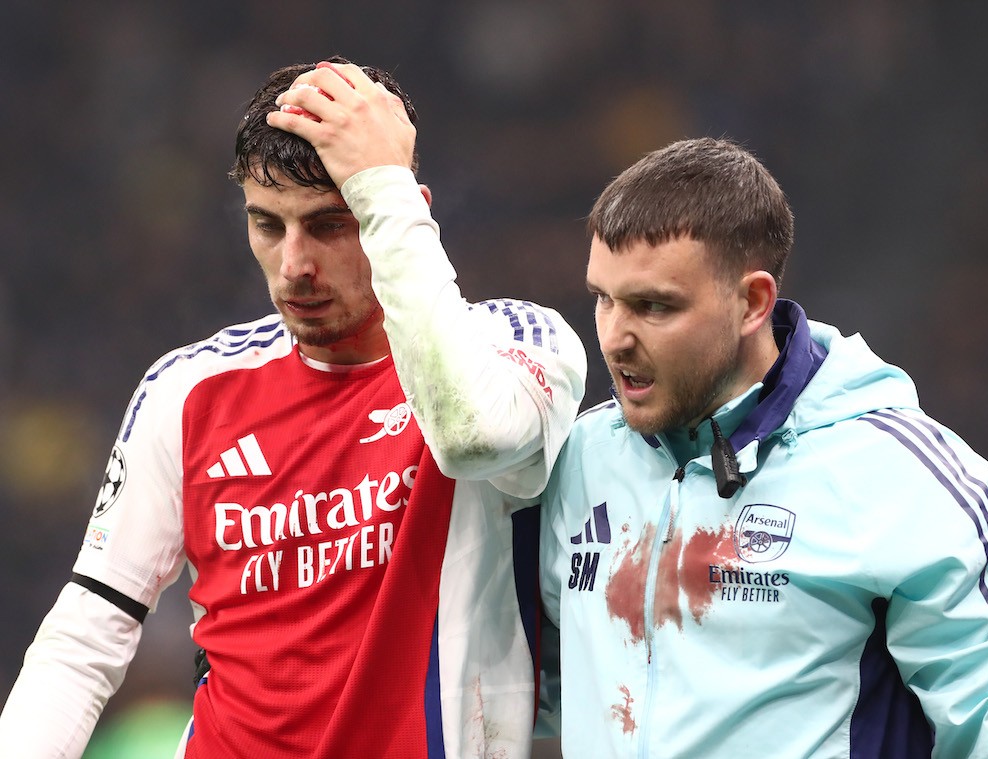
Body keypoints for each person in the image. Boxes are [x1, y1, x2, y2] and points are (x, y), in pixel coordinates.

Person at [0, 55, 587, 758]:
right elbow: (88, 631)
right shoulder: (187, 390)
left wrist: (384, 189)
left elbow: (473, 437)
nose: (293, 265)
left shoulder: (514, 345)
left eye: (330, 224)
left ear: (401, 210)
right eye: (267, 225)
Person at [539, 137, 988, 758]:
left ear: (752, 302)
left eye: (653, 306)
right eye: (603, 297)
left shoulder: (901, 476)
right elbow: (525, 688)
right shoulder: (579, 459)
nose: (614, 338)